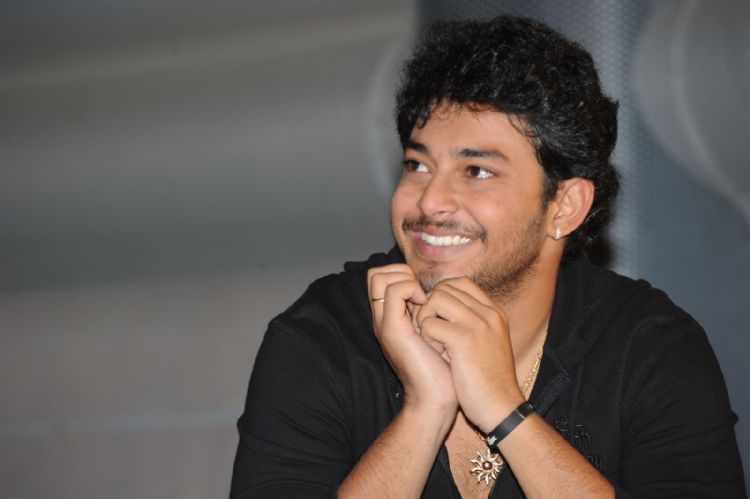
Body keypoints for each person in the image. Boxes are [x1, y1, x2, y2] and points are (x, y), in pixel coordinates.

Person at [230, 15, 746, 498]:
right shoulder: (324, 336)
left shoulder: (648, 346)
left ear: (565, 206)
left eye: (477, 171)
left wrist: (505, 410)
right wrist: (425, 409)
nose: (429, 201)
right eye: (417, 164)